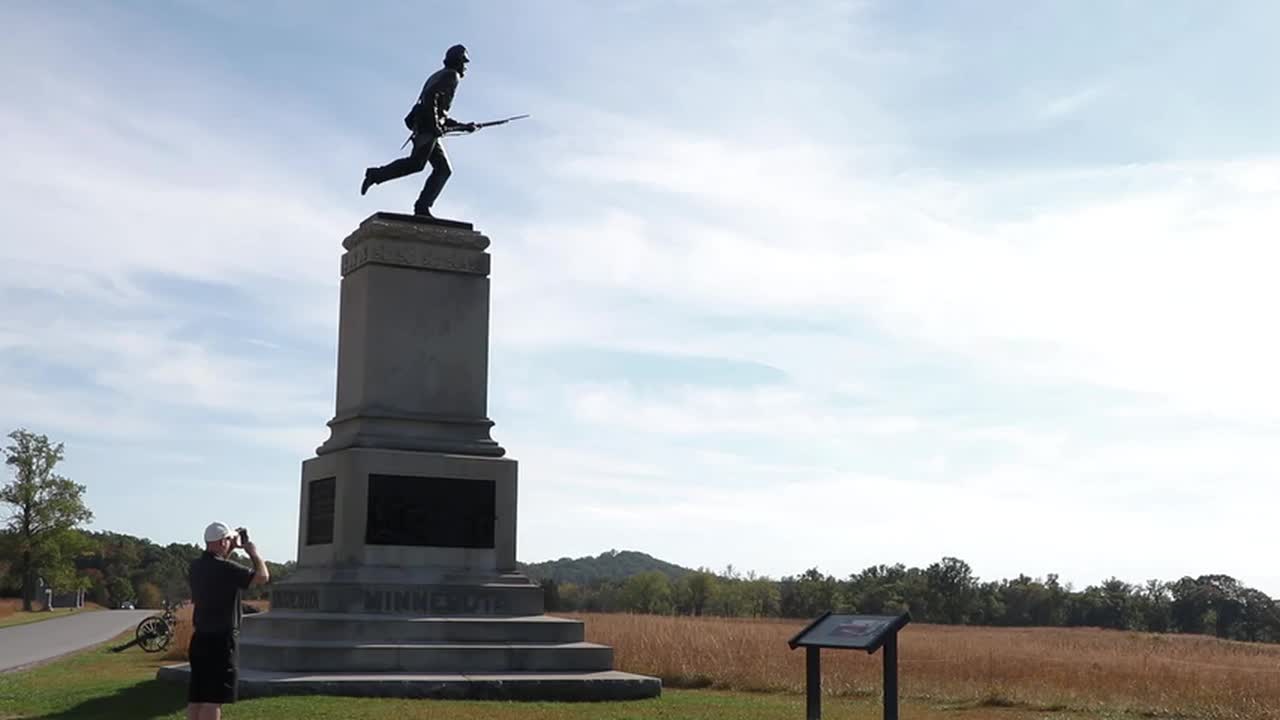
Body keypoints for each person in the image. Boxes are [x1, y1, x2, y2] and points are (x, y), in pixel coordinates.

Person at [361, 43, 478, 217]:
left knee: (442, 169)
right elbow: (431, 100)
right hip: (427, 129)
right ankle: (377, 175)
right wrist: (436, 126)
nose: (465, 67)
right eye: (464, 62)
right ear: (458, 61)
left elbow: (439, 112)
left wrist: (464, 126)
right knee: (419, 164)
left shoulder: (440, 75)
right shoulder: (451, 76)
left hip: (426, 127)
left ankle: (422, 207)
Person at [186, 522, 269, 720]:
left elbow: (220, 566)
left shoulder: (195, 567)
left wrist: (229, 547)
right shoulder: (226, 569)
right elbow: (263, 576)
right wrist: (253, 552)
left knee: (197, 698)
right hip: (221, 640)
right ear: (223, 541)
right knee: (213, 700)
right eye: (228, 540)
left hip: (200, 639)